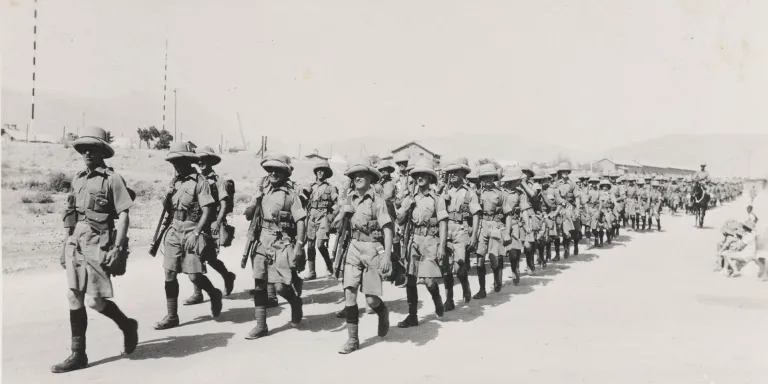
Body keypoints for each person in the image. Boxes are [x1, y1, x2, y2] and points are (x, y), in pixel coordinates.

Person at [53, 127, 138, 373]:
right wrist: (64, 244)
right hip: (76, 241)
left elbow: (123, 216)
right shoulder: (78, 178)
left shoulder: (113, 179)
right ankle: (78, 354)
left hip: (99, 242)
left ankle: (126, 324)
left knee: (95, 301)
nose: (87, 152)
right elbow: (70, 215)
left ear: (102, 151)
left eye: (93, 148)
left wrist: (118, 247)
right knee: (73, 295)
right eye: (83, 149)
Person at [154, 142, 223, 331]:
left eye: (178, 161)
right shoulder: (174, 182)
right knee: (169, 272)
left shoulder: (200, 182)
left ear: (187, 161)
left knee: (194, 276)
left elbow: (208, 210)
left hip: (192, 228)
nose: (175, 165)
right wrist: (167, 196)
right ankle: (172, 315)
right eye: (173, 161)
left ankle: (213, 293)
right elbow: (167, 207)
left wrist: (196, 232)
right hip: (174, 229)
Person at [243, 153, 306, 340]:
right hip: (262, 240)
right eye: (270, 169)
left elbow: (301, 221)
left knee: (280, 287)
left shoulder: (291, 196)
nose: (273, 173)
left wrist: (299, 246)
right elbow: (248, 215)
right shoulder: (262, 191)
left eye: (277, 170)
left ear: (285, 173)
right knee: (259, 284)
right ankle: (261, 325)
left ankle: (295, 302)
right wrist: (254, 201)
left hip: (281, 243)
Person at [336, 159, 393, 354]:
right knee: (349, 293)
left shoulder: (378, 201)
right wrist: (343, 213)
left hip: (372, 248)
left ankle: (382, 312)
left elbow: (387, 229)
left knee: (371, 301)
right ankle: (353, 340)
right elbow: (336, 227)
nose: (357, 178)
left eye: (361, 175)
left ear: (370, 179)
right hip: (353, 247)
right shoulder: (349, 199)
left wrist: (387, 256)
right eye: (354, 176)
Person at [396, 158, 447, 327]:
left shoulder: (437, 199)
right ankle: (412, 316)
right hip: (413, 241)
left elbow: (443, 222)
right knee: (410, 280)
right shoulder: (410, 198)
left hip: (430, 241)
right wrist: (406, 207)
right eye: (417, 175)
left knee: (428, 281)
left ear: (430, 177)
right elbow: (400, 220)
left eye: (424, 174)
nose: (420, 177)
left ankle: (437, 299)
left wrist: (442, 246)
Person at [184, 146, 237, 305]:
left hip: (211, 222)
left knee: (209, 257)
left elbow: (224, 204)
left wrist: (218, 222)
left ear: (211, 162)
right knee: (196, 255)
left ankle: (226, 276)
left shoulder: (218, 181)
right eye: (199, 160)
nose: (201, 163)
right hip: (196, 222)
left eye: (205, 160)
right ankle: (198, 292)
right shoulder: (194, 179)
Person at [439, 158, 481, 309]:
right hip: (446, 230)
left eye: (456, 171)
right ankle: (449, 300)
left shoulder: (470, 193)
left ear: (464, 173)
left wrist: (474, 236)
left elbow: (476, 214)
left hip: (461, 230)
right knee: (445, 268)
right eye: (450, 172)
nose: (453, 175)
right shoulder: (444, 192)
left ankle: (465, 285)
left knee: (459, 268)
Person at [474, 164, 514, 297]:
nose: (487, 180)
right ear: (481, 179)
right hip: (482, 225)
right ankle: (482, 289)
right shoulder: (477, 193)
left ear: (494, 178)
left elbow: (508, 214)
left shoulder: (500, 194)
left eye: (490, 177)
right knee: (479, 258)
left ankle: (497, 280)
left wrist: (507, 232)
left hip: (496, 225)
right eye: (485, 177)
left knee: (494, 257)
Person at [302, 160, 339, 280]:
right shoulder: (310, 186)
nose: (319, 172)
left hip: (324, 216)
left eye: (322, 170)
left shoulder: (331, 188)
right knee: (310, 245)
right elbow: (302, 199)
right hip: (311, 216)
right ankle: (312, 272)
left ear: (326, 173)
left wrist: (331, 215)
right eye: (318, 170)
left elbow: (338, 203)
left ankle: (329, 267)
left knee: (320, 245)